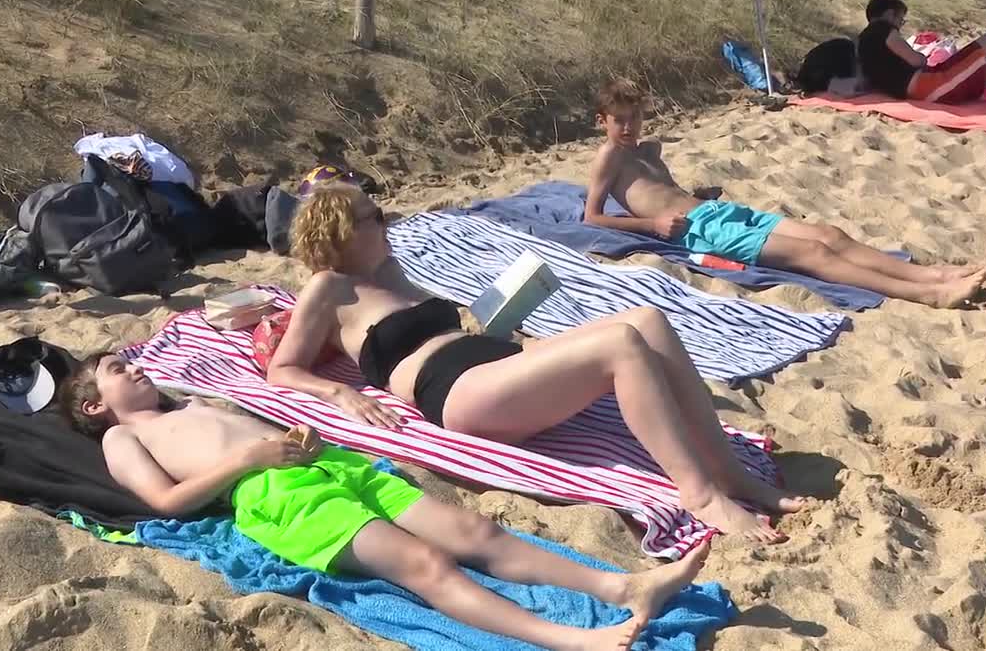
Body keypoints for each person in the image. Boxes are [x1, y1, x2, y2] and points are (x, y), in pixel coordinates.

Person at [268, 182, 808, 543]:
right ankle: (701, 493)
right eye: (374, 215)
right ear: (343, 231)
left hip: (493, 357)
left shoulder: (391, 268)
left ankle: (730, 472)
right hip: (455, 389)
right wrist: (341, 393)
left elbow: (443, 328)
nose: (386, 221)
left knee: (647, 320)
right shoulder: (328, 289)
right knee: (621, 344)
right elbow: (283, 368)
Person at [62, 352, 712, 651]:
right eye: (117, 370)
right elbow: (167, 502)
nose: (134, 367)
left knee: (471, 531)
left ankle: (622, 588)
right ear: (95, 404)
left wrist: (293, 438)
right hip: (271, 496)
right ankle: (570, 641)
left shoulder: (188, 402)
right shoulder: (124, 437)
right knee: (427, 568)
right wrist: (248, 460)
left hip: (327, 466)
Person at [582, 78, 986, 308]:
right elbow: (592, 218)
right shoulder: (609, 159)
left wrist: (690, 195)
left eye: (634, 118)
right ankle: (929, 294)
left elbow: (662, 192)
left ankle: (941, 274)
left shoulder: (648, 149)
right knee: (815, 256)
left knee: (830, 235)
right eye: (619, 120)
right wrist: (651, 224)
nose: (628, 127)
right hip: (694, 232)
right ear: (603, 120)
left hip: (716, 212)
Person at [858, 0, 986, 108]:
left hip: (928, 91)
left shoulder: (863, 40)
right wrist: (922, 57)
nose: (900, 26)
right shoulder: (883, 29)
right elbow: (915, 60)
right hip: (930, 87)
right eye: (901, 21)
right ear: (890, 15)